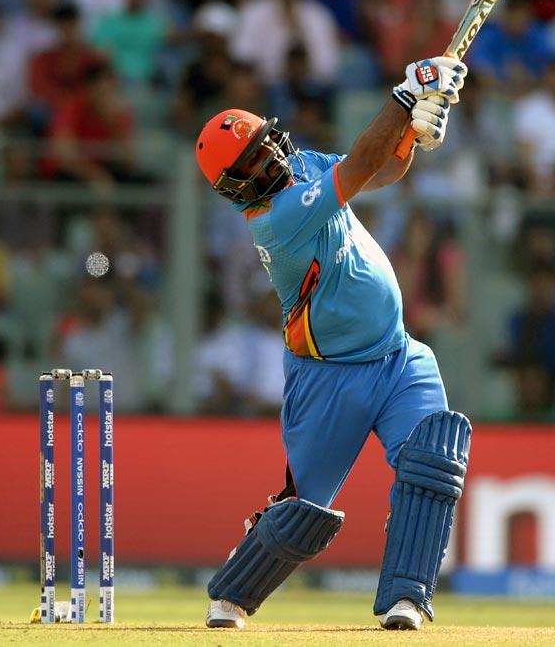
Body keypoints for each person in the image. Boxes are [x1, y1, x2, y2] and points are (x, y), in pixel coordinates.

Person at [195, 55, 471, 631]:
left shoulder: (304, 169)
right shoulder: (274, 217)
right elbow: (365, 160)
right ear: (237, 186)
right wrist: (405, 94)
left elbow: (380, 170)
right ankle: (232, 594)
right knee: (303, 514)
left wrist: (416, 131)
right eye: (255, 162)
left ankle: (407, 598)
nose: (272, 159)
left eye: (268, 144)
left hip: (398, 357)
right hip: (328, 377)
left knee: (432, 459)